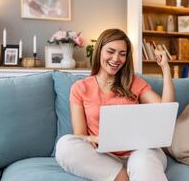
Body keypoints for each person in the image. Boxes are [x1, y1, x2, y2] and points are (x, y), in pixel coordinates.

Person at [55, 28, 175, 181]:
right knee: (65, 146)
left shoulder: (133, 82)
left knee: (143, 160)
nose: (116, 58)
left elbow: (165, 110)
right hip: (104, 156)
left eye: (122, 54)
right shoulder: (80, 88)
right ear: (99, 52)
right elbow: (80, 135)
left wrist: (165, 68)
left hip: (140, 152)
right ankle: (122, 176)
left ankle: (134, 171)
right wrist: (96, 139)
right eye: (110, 51)